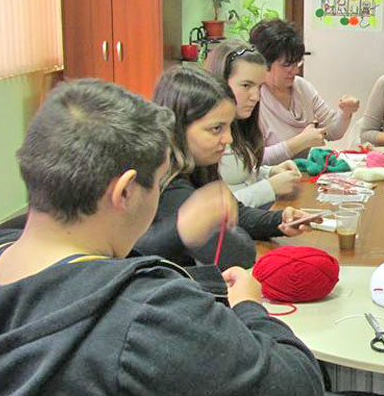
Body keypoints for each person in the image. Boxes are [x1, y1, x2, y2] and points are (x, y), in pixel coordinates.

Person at [0, 79, 384, 396]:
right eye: (159, 183)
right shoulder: (147, 314)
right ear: (125, 191)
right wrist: (250, 308)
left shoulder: (3, 254)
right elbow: (298, 394)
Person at [134, 66, 313, 269]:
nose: (228, 139)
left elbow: (236, 212)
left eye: (229, 127)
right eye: (216, 128)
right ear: (178, 128)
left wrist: (279, 219)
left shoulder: (200, 165)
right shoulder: (172, 188)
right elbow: (238, 254)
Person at [205, 40, 302, 208]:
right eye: (246, 85)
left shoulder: (240, 123)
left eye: (259, 87)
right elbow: (211, 210)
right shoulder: (203, 135)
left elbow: (241, 175)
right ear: (219, 83)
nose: (255, 97)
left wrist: (269, 172)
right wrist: (269, 187)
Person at [249, 19, 360, 164]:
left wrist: (345, 112)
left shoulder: (302, 87)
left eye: (297, 63)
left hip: (299, 173)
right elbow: (253, 160)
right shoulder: (252, 98)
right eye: (287, 65)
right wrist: (300, 142)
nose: (295, 70)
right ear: (264, 63)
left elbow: (333, 132)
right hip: (271, 176)